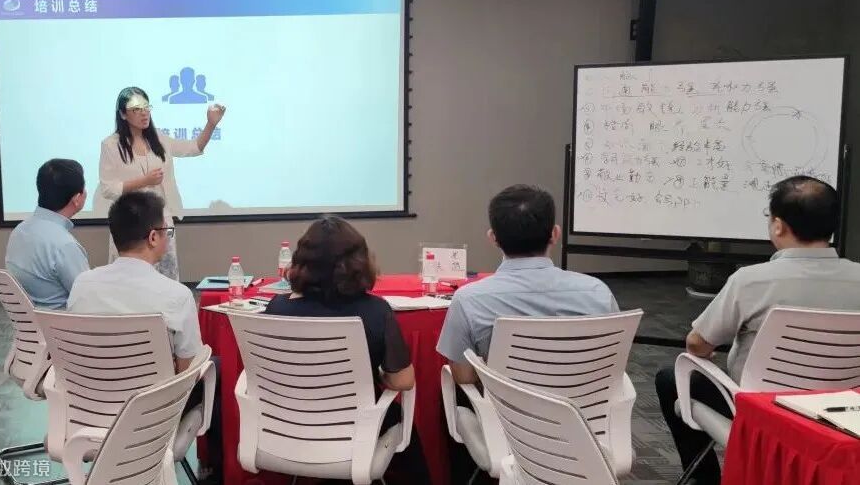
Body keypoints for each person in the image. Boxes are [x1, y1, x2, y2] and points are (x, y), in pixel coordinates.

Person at [655, 175, 860, 485]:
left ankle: (705, 480)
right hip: (841, 415)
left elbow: (697, 345)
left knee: (670, 377)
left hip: (762, 412)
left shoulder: (751, 281)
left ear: (778, 226)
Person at [67, 191, 222, 485]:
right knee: (217, 366)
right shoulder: (176, 296)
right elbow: (187, 372)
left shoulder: (82, 285)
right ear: (153, 237)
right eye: (167, 232)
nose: (167, 238)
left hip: (87, 413)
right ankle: (212, 472)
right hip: (152, 423)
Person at [265, 216, 430, 484]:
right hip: (359, 430)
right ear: (359, 263)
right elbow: (403, 380)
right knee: (400, 421)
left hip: (288, 428)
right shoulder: (375, 311)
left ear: (301, 262)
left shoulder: (277, 308)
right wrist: (374, 377)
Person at [436, 184, 619, 384]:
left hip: (504, 405)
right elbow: (612, 364)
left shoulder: (468, 300)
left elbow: (464, 377)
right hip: (587, 402)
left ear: (493, 238)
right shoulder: (597, 292)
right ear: (555, 234)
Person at [94, 86, 226, 281]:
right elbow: (107, 188)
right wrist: (144, 181)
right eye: (136, 109)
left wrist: (211, 124)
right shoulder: (111, 145)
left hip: (160, 220)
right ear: (122, 114)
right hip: (130, 223)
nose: (144, 113)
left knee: (165, 280)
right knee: (130, 281)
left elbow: (193, 147)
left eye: (146, 107)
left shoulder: (159, 139)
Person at [5, 159, 89, 309]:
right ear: (76, 199)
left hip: (34, 319)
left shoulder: (19, 231)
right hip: (64, 321)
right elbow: (88, 298)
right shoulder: (65, 246)